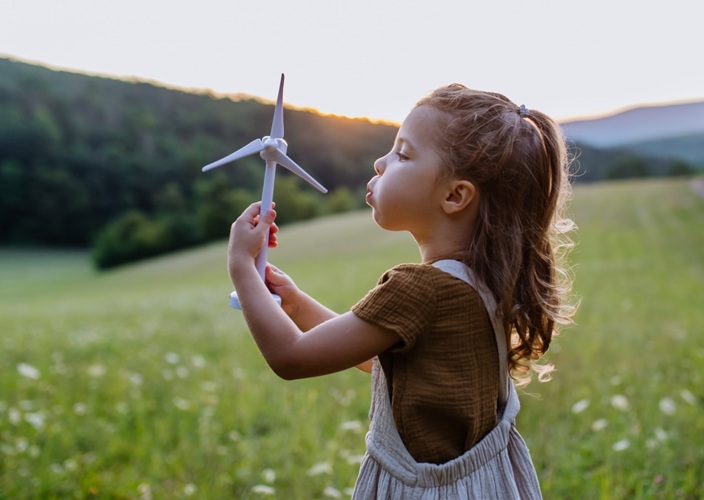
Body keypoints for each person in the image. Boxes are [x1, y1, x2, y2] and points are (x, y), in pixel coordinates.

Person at [227, 83, 576, 498]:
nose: (379, 162)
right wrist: (296, 303)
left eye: (403, 154)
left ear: (454, 195)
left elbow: (292, 358)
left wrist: (242, 267)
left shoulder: (419, 288)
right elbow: (383, 363)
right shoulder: (482, 281)